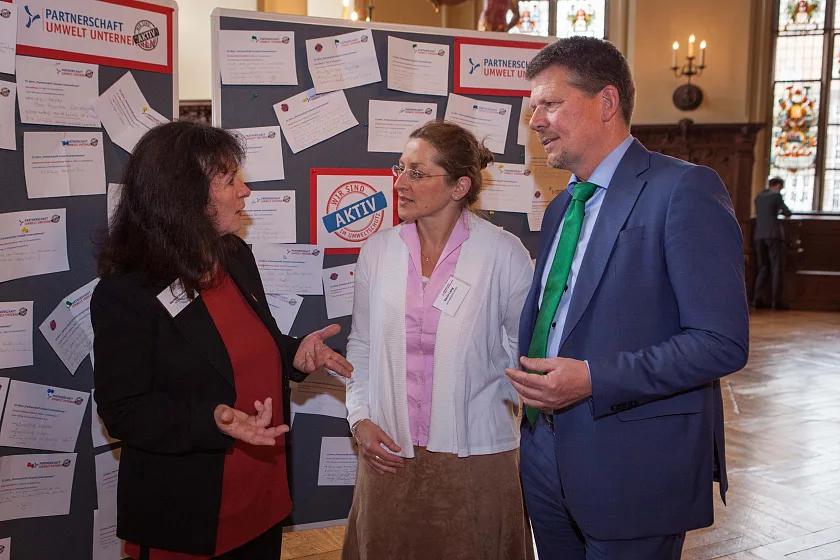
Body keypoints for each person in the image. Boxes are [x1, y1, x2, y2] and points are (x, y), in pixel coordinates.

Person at [505, 37, 749, 559]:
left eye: (550, 104)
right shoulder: (562, 206)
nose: (535, 122)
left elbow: (720, 342)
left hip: (634, 462)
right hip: (545, 452)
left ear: (607, 102)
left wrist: (593, 379)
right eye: (532, 110)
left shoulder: (683, 190)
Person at [91, 121, 353, 560]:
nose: (244, 191)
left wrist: (294, 354)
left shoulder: (234, 255)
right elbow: (123, 411)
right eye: (230, 180)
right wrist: (211, 419)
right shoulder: (127, 292)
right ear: (185, 196)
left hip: (262, 495)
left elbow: (249, 344)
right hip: (188, 515)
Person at [342, 121, 534, 560]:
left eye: (417, 173)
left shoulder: (503, 254)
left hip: (476, 459)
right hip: (389, 452)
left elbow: (523, 353)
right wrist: (360, 418)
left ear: (458, 187)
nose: (400, 183)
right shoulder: (378, 251)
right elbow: (362, 345)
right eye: (400, 168)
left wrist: (483, 406)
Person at [753, 176, 792, 310]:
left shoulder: (758, 197)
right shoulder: (776, 195)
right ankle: (776, 302)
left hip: (759, 235)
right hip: (773, 235)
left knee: (763, 267)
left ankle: (757, 299)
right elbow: (787, 212)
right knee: (776, 267)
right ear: (777, 185)